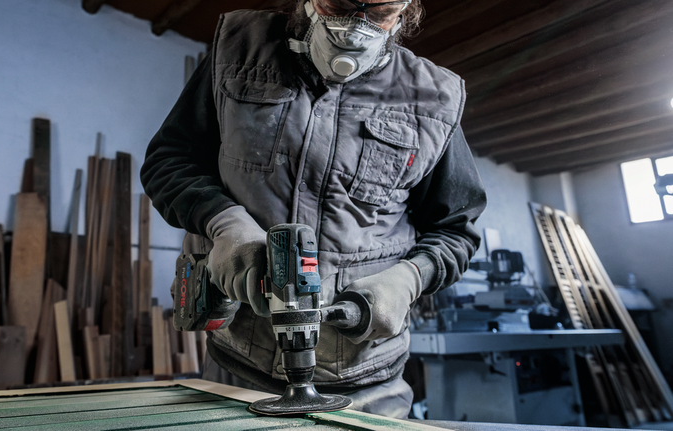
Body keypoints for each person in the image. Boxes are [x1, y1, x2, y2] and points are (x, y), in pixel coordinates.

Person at [141, 0, 486, 419]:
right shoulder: (240, 47)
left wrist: (409, 279)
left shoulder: (435, 97)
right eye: (341, 4)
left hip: (367, 381)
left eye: (377, 12)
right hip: (236, 371)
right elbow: (169, 160)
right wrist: (224, 223)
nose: (356, 27)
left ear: (407, 7)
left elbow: (456, 229)